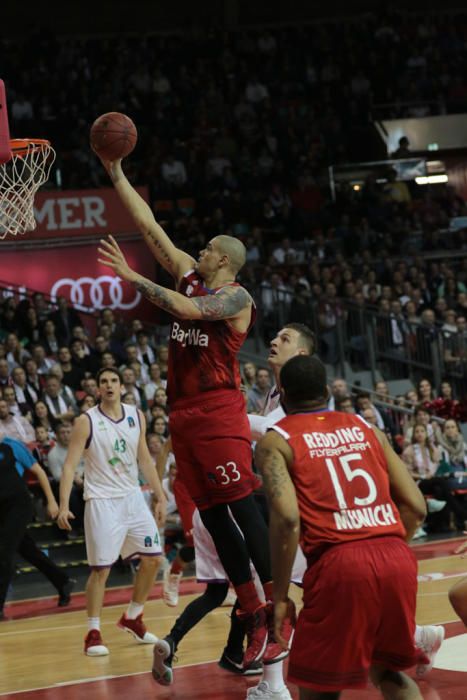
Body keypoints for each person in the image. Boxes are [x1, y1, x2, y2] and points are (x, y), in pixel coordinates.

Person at [97, 156, 275, 667]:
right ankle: (252, 607)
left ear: (224, 258)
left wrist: (132, 276)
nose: (199, 250)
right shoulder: (192, 275)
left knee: (242, 507)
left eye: (208, 249)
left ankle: (278, 607)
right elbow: (150, 226)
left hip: (219, 411)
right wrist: (117, 174)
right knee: (216, 518)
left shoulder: (234, 296)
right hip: (184, 416)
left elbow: (189, 311)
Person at [256, 354, 429, 700]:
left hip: (341, 564)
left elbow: (288, 519)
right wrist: (385, 547)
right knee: (387, 670)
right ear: (325, 391)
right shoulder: (369, 429)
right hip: (395, 555)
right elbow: (416, 506)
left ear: (283, 393)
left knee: (320, 687)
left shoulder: (275, 441)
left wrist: (279, 597)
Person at [57, 367, 167, 656]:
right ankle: (93, 632)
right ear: (97, 389)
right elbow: (69, 465)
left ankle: (133, 617)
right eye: (103, 381)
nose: (108, 385)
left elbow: (144, 458)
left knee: (153, 560)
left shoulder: (137, 415)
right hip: (102, 502)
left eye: (113, 381)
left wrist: (160, 495)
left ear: (121, 386)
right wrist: (64, 505)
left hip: (132, 498)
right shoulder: (86, 421)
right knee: (100, 570)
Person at [0, 436, 74, 619]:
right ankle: (63, 581)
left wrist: (51, 502)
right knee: (28, 550)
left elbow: (39, 472)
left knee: (4, 554)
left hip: (19, 506)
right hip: (1, 511)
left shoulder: (11, 445)